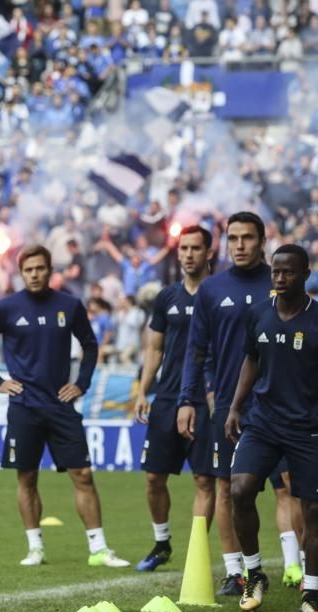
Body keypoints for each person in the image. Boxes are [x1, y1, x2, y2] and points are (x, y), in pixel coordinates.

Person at [0, 245, 130, 569]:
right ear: (21, 272)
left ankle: (98, 548)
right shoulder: (6, 307)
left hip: (60, 405)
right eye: (28, 270)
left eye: (40, 268)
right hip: (24, 407)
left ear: (49, 270)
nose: (35, 274)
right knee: (26, 477)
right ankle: (35, 547)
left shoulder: (69, 306)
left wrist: (81, 383)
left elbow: (90, 344)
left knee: (82, 474)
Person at [226, 244, 318, 612]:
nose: (280, 279)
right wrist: (235, 406)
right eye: (276, 272)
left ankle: (311, 591)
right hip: (262, 423)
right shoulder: (259, 315)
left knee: (313, 510)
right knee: (240, 489)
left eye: (288, 273)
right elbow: (251, 360)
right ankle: (254, 574)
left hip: (308, 429)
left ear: (306, 275)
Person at [176, 211, 277, 596]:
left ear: (262, 241)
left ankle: (298, 570)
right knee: (223, 487)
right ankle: (235, 573)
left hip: (279, 407)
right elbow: (195, 350)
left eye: (247, 238)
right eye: (233, 238)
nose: (240, 245)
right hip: (228, 408)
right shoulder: (212, 289)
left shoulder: (280, 282)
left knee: (288, 487)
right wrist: (188, 398)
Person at [133, 226, 215, 571]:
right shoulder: (167, 297)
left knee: (204, 480)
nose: (189, 254)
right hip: (166, 396)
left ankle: (198, 554)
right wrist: (142, 390)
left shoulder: (219, 295)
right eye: (183, 248)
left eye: (196, 248)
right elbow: (154, 348)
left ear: (208, 252)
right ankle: (162, 542)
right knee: (153, 477)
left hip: (207, 399)